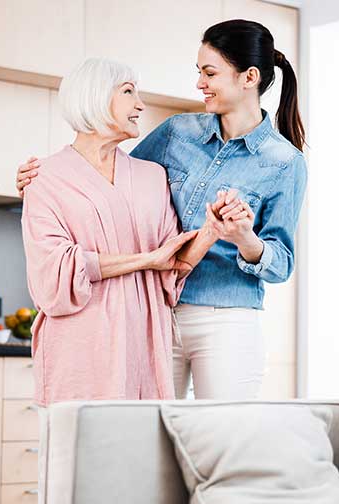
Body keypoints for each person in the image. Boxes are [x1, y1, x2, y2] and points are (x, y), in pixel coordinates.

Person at [17, 20, 307, 399]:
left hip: (226, 319)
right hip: (155, 313)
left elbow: (281, 261)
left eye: (209, 73)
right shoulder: (177, 133)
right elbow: (107, 179)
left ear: (248, 77)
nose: (200, 82)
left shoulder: (284, 162)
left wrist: (244, 237)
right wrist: (36, 182)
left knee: (222, 439)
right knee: (153, 436)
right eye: (198, 72)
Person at [22, 57, 218, 405]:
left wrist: (212, 231)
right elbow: (52, 275)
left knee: (143, 454)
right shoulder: (44, 178)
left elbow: (169, 267)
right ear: (95, 97)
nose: (140, 104)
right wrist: (145, 259)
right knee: (80, 455)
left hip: (144, 348)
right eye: (129, 91)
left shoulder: (153, 176)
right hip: (79, 351)